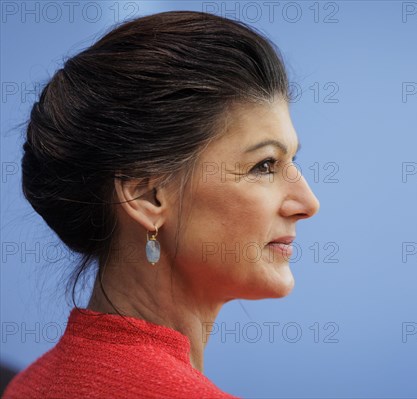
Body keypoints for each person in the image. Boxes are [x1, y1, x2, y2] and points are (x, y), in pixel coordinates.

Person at [3, 10, 319, 399]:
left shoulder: (28, 384)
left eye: (292, 162)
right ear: (147, 196)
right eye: (264, 165)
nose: (307, 203)